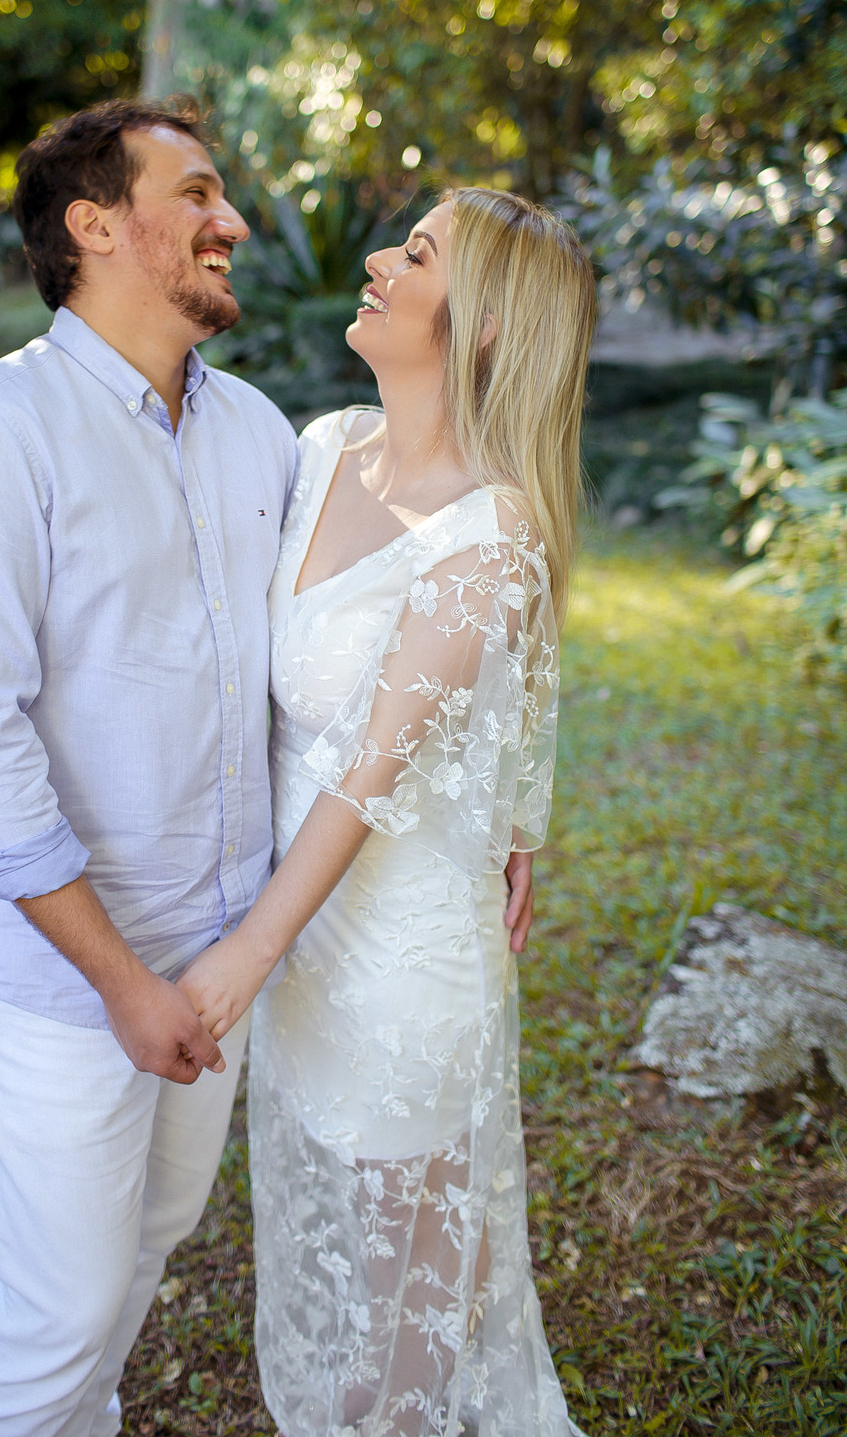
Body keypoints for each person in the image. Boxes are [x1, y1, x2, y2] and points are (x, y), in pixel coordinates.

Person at [0, 99, 299, 1437]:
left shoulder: (263, 437)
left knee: (141, 1261)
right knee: (60, 1306)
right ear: (96, 225)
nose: (232, 222)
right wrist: (121, 985)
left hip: (217, 963)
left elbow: (323, 679)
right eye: (198, 194)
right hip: (65, 986)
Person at [179, 188, 597, 1437]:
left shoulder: (494, 532)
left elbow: (373, 764)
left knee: (417, 1289)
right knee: (336, 1252)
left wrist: (245, 950)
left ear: (481, 326)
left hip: (402, 952)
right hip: (305, 931)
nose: (377, 259)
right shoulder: (320, 448)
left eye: (415, 254)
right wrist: (520, 813)